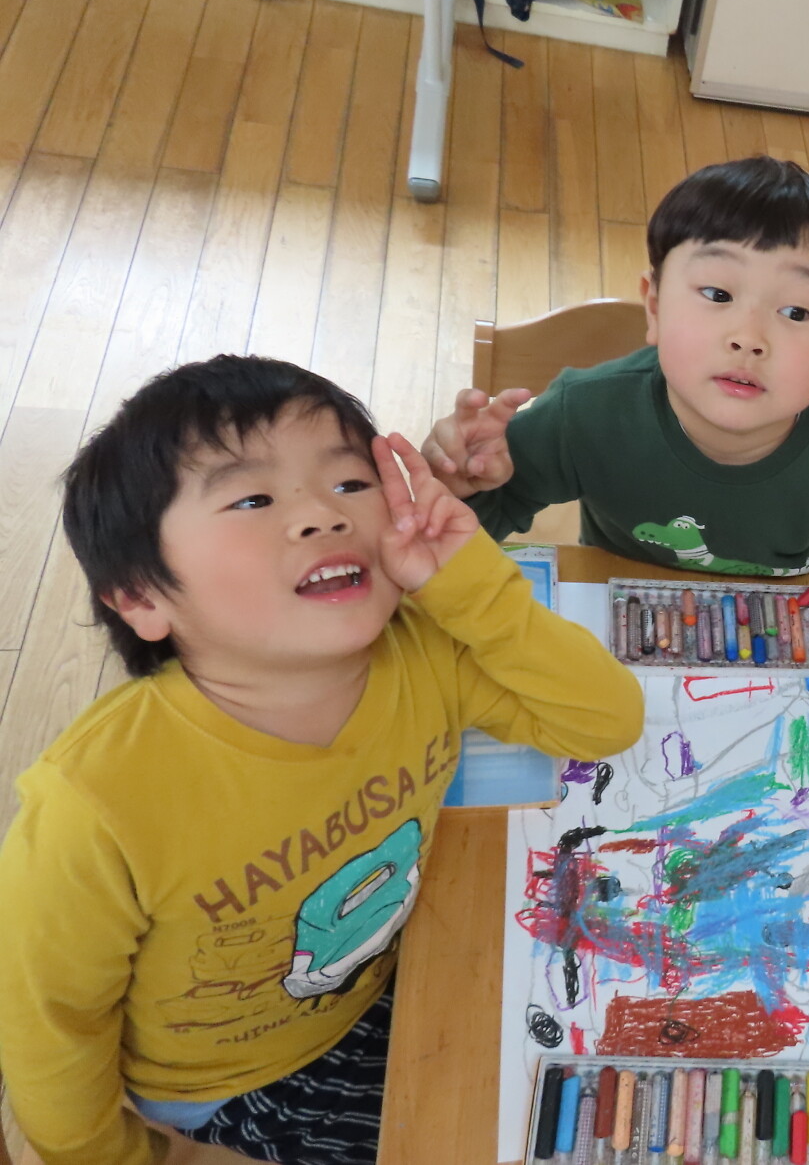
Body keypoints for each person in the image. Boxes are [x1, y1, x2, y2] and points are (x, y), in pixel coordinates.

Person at [0, 356, 644, 1165]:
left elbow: (603, 721)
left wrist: (472, 584)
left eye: (349, 484)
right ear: (141, 597)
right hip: (248, 1079)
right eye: (252, 499)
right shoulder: (98, 800)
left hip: (380, 976)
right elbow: (47, 1025)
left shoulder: (421, 652)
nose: (320, 515)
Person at [423, 156, 809, 782]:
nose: (749, 337)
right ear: (653, 306)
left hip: (775, 634)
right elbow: (478, 532)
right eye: (718, 295)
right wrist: (463, 490)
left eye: (796, 313)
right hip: (617, 621)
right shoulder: (584, 413)